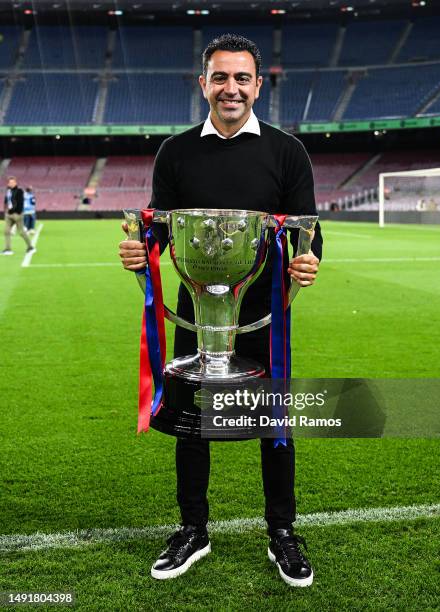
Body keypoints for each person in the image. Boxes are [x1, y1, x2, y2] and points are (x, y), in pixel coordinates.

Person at [119, 34, 322, 587]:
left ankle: (282, 532)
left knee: (274, 425)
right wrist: (143, 249)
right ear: (202, 83)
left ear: (258, 85)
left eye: (241, 78)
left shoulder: (287, 151)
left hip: (264, 314)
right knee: (192, 423)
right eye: (220, 77)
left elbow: (307, 229)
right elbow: (161, 228)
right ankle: (193, 529)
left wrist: (306, 262)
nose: (230, 88)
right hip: (199, 311)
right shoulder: (176, 152)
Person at [2, 176, 35, 255]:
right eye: (9, 182)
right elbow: (6, 200)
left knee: (21, 232)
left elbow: (20, 203)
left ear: (15, 183)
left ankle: (30, 247)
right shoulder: (8, 191)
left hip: (17, 214)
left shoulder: (19, 191)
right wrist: (6, 211)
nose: (11, 184)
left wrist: (18, 212)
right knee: (6, 231)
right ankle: (8, 249)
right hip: (9, 214)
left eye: (12, 182)